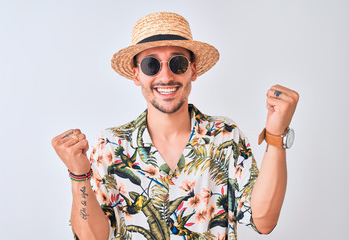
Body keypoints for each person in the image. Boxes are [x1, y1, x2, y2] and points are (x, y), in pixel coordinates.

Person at [52, 12, 299, 240]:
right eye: (151, 64)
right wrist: (79, 173)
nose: (166, 76)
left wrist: (276, 136)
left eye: (177, 63)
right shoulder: (111, 146)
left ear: (192, 70)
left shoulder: (225, 137)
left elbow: (263, 221)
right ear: (136, 74)